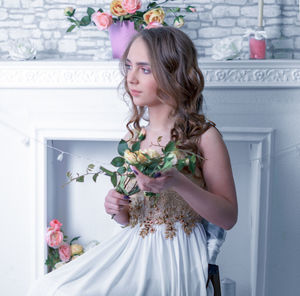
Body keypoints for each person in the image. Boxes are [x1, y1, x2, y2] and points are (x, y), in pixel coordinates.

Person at [27, 27, 237, 296]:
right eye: (128, 67)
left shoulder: (204, 136)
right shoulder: (135, 137)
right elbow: (129, 217)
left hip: (175, 253)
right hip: (133, 244)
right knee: (48, 288)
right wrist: (117, 208)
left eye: (144, 69)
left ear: (173, 74)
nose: (131, 78)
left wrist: (179, 182)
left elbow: (228, 218)